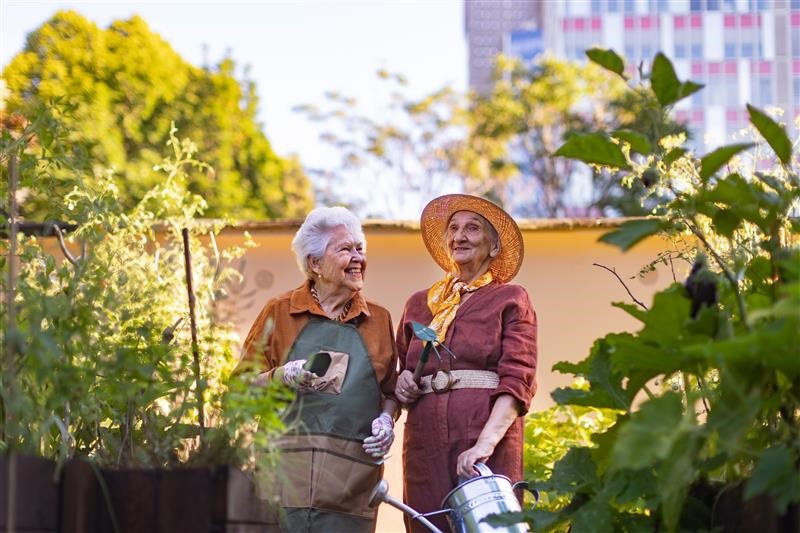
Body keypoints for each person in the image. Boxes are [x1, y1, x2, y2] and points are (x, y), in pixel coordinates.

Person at [235, 206, 399, 533]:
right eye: (345, 249)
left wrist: (386, 420)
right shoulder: (279, 312)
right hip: (282, 481)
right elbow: (239, 390)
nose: (357, 258)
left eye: (360, 249)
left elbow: (390, 394)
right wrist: (281, 376)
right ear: (315, 264)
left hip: (350, 487)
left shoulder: (379, 320)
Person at [395, 194, 537, 533]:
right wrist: (402, 383)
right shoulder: (419, 304)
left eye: (472, 229)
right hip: (424, 439)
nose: (460, 236)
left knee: (491, 526)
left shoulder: (511, 298)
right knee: (425, 523)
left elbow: (518, 380)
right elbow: (399, 372)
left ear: (493, 246)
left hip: (484, 433)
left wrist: (485, 444)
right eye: (454, 229)